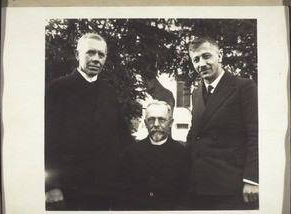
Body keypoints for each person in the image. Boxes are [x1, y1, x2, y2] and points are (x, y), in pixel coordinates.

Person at [45, 33, 132, 210]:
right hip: (70, 190)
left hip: (104, 189)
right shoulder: (58, 89)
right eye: (90, 53)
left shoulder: (110, 93)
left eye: (101, 55)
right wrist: (51, 186)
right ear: (78, 55)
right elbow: (47, 141)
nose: (96, 59)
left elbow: (123, 138)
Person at [186, 35, 259, 210]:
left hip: (232, 186)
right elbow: (194, 135)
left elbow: (255, 134)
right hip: (199, 185)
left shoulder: (243, 87)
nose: (201, 64)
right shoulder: (196, 93)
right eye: (195, 60)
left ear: (220, 55)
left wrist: (252, 179)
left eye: (206, 56)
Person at [121, 101, 191, 210]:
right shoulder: (131, 152)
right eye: (151, 119)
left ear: (171, 123)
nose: (156, 124)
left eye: (162, 120)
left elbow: (186, 196)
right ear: (145, 122)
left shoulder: (183, 154)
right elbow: (123, 195)